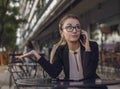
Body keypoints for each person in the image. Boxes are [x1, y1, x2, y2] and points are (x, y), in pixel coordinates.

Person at [15, 14, 107, 88]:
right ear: (62, 32)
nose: (74, 30)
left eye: (77, 27)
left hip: (92, 87)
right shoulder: (60, 50)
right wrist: (35, 54)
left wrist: (87, 47)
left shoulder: (92, 46)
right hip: (70, 86)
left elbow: (88, 74)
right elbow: (54, 73)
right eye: (69, 27)